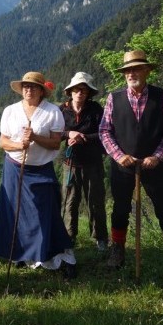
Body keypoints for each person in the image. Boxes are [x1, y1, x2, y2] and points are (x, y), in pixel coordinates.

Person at [98, 50, 163, 273]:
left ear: (147, 70)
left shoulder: (162, 96)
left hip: (154, 164)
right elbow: (104, 131)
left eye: (136, 68)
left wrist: (158, 156)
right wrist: (119, 155)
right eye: (128, 70)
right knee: (120, 209)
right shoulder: (114, 98)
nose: (131, 73)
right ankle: (118, 249)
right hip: (123, 164)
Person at [0, 71, 77, 277]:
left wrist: (36, 138)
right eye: (25, 86)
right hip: (14, 168)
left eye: (33, 87)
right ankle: (20, 255)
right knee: (16, 213)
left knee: (44, 212)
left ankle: (50, 253)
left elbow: (55, 143)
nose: (28, 89)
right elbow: (3, 141)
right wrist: (18, 145)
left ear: (42, 91)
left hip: (41, 169)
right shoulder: (10, 111)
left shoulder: (52, 112)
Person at [60, 72, 108, 252]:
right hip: (70, 163)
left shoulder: (96, 110)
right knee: (69, 201)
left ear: (89, 93)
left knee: (95, 201)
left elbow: (105, 133)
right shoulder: (62, 110)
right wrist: (68, 134)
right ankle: (68, 239)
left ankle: (100, 238)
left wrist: (83, 137)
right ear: (70, 91)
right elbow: (55, 133)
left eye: (84, 90)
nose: (80, 93)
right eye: (77, 89)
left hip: (93, 163)